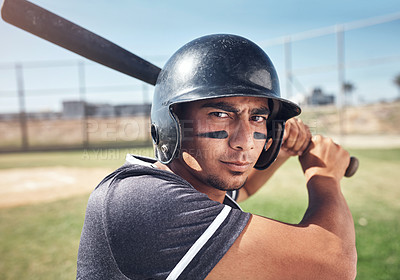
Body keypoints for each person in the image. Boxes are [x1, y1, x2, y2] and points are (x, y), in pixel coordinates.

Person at [77, 34, 357, 280]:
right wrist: (324, 174)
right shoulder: (139, 199)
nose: (244, 142)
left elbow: (242, 188)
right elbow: (333, 266)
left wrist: (282, 149)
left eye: (257, 118)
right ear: (171, 125)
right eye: (220, 115)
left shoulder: (194, 186)